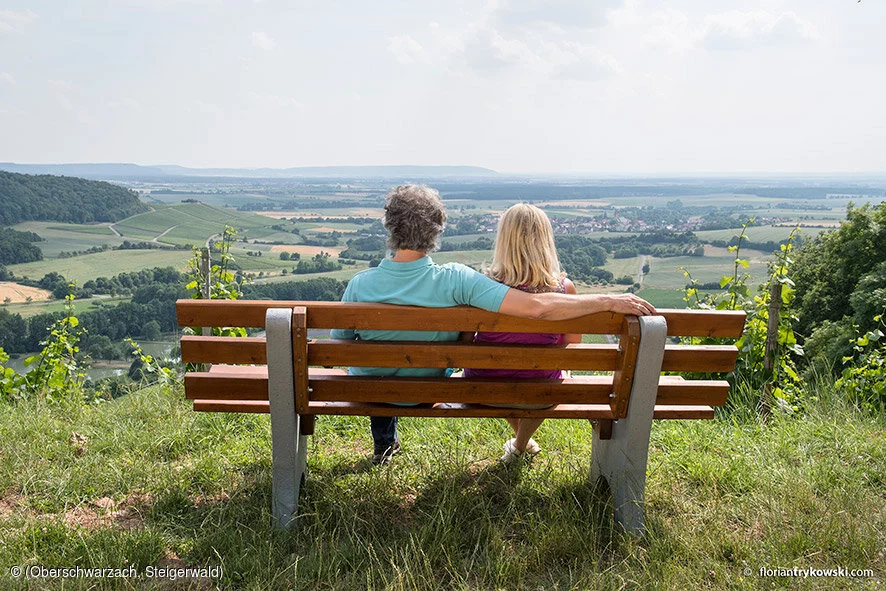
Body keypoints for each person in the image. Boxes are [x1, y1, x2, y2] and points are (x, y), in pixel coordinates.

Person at [330, 185, 655, 466]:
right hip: (428, 389)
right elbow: (534, 306)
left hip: (372, 390)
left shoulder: (360, 285)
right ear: (437, 230)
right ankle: (519, 443)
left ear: (390, 227)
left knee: (377, 367)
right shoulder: (457, 279)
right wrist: (607, 300)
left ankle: (384, 444)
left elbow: (341, 344)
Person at [464, 203, 581, 464]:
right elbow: (573, 345)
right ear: (545, 240)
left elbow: (464, 342)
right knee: (550, 372)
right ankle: (520, 444)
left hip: (482, 389)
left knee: (500, 367)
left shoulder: (482, 287)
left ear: (503, 240)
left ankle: (519, 445)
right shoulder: (564, 289)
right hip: (542, 392)